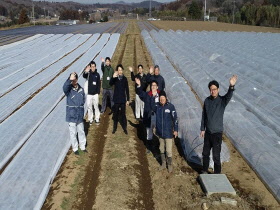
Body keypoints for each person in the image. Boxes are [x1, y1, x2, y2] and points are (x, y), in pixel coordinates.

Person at [200, 75, 238, 174]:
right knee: (205, 153)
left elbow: (229, 95)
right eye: (211, 89)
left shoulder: (222, 101)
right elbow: (204, 115)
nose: (213, 91)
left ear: (218, 89)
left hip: (217, 134)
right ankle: (204, 170)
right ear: (209, 90)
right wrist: (202, 129)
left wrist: (231, 86)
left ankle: (217, 174)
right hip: (208, 132)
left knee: (216, 155)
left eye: (215, 89)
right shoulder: (207, 101)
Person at [63, 72, 87, 155]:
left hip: (79, 114)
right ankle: (75, 148)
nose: (74, 81)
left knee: (81, 131)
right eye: (72, 80)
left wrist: (80, 107)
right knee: (73, 133)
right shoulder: (68, 90)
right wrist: (69, 79)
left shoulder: (81, 89)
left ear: (77, 80)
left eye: (75, 79)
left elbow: (83, 100)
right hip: (72, 115)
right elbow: (64, 87)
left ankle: (83, 146)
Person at [154, 91, 178, 173]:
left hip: (168, 133)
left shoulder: (171, 107)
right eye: (160, 98)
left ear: (166, 98)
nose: (162, 99)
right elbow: (149, 106)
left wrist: (176, 130)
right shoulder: (157, 107)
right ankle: (163, 163)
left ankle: (170, 165)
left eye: (163, 98)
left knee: (168, 150)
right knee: (161, 149)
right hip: (160, 133)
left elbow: (175, 119)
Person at [135, 78, 160, 154]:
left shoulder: (160, 95)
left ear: (157, 87)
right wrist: (139, 85)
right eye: (152, 85)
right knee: (149, 132)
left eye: (154, 85)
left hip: (157, 117)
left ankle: (158, 147)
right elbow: (140, 93)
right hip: (149, 116)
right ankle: (149, 147)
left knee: (158, 131)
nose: (153, 87)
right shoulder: (147, 94)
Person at [110, 64, 130, 134]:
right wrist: (113, 77)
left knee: (123, 115)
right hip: (116, 99)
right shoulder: (115, 78)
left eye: (121, 70)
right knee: (115, 115)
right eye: (119, 70)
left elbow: (127, 89)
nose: (120, 71)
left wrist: (128, 100)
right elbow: (110, 83)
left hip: (122, 99)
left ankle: (125, 128)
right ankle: (114, 128)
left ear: (122, 70)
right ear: (117, 71)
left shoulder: (125, 79)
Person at [83, 61, 101, 125]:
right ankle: (90, 119)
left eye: (94, 66)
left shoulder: (97, 74)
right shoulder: (88, 74)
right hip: (89, 94)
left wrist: (98, 92)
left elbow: (99, 83)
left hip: (95, 93)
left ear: (95, 67)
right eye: (92, 67)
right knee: (89, 106)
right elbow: (84, 75)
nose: (93, 68)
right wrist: (86, 71)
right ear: (90, 67)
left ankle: (97, 118)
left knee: (96, 106)